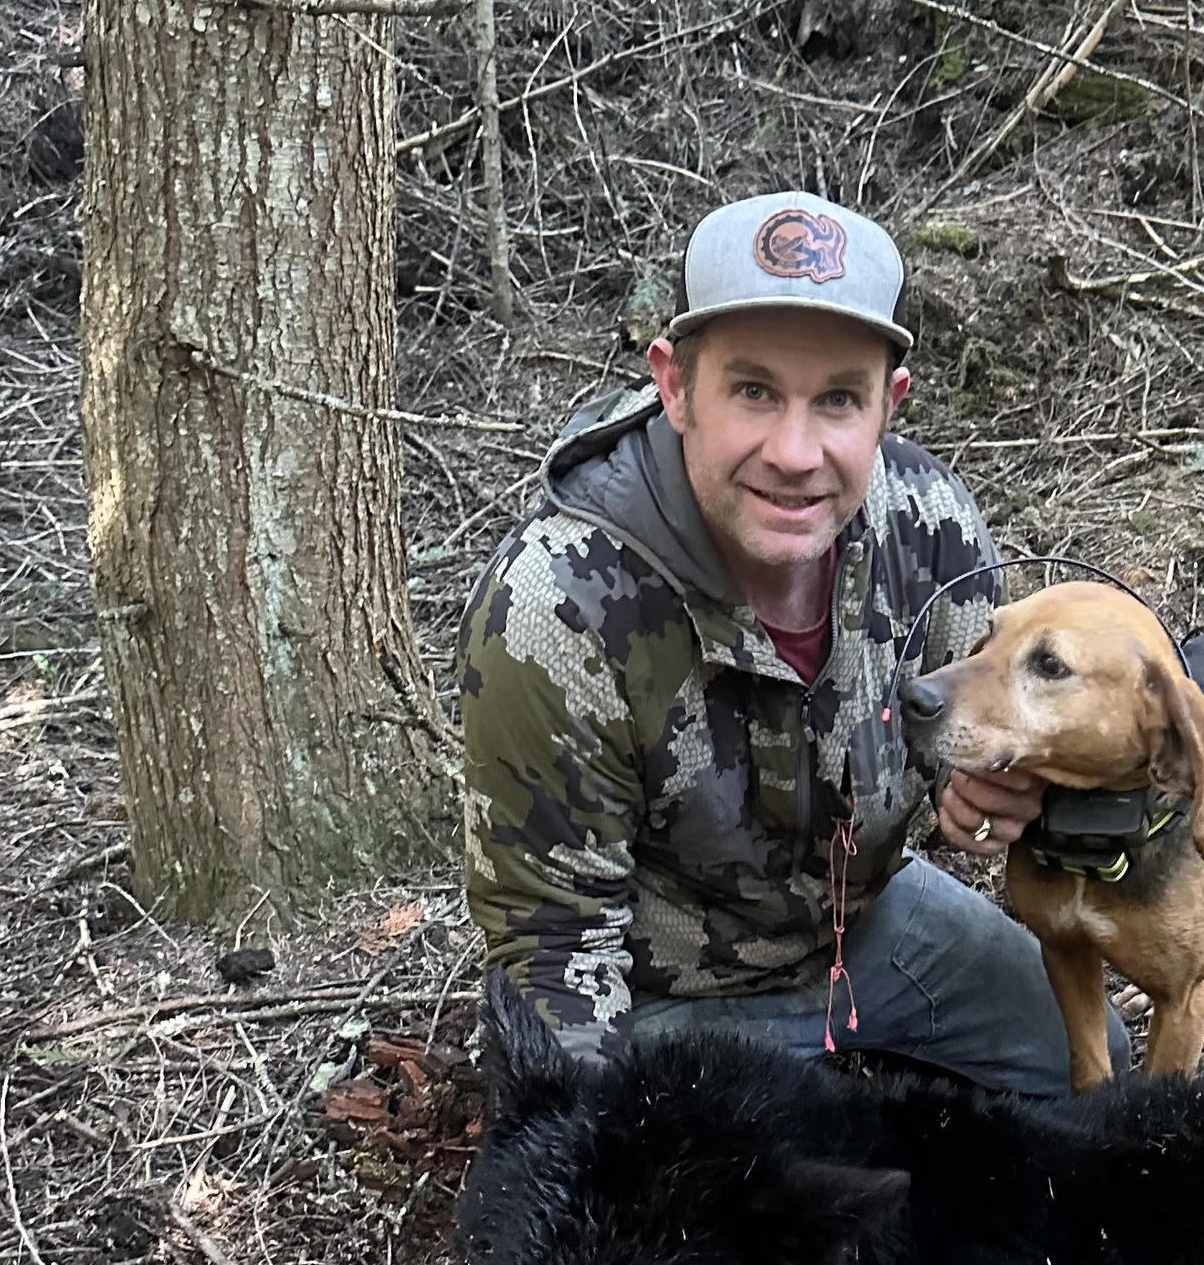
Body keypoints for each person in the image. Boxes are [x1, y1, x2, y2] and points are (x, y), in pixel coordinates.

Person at [457, 188, 1129, 1094]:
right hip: (662, 997)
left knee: (1095, 1065)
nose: (796, 452)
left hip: (867, 936)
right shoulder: (557, 604)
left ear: (889, 405)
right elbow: (553, 952)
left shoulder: (934, 533)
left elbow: (1011, 748)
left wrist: (998, 796)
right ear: (674, 384)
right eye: (753, 391)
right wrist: (591, 1154)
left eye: (839, 400)